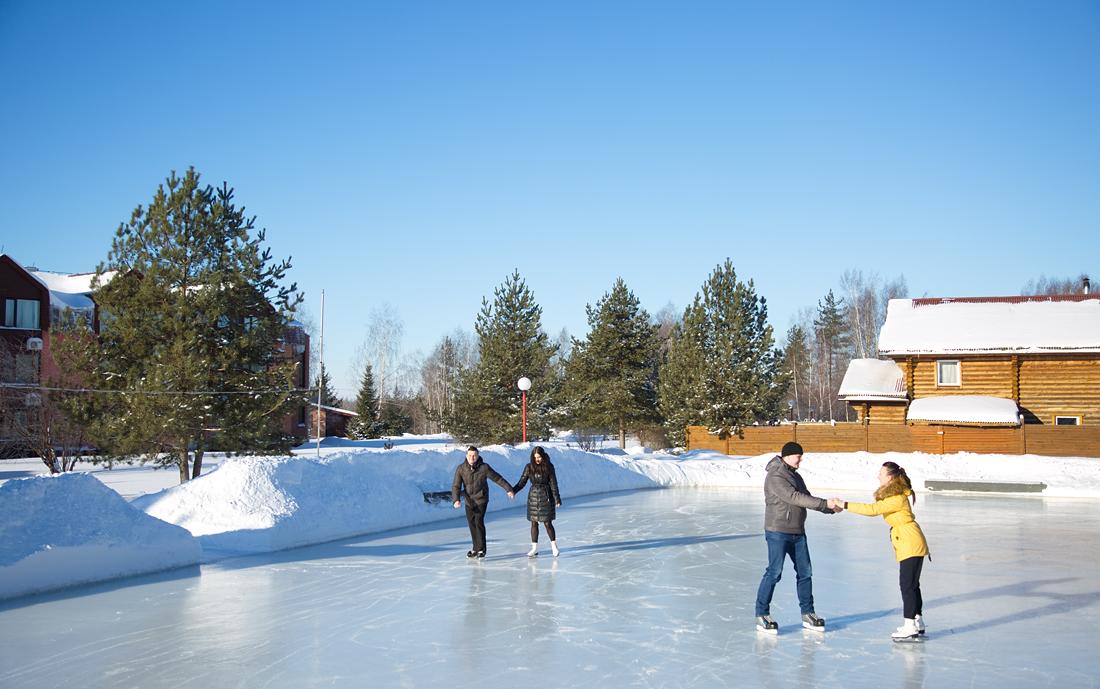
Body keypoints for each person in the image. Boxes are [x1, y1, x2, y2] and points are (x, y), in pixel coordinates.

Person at [833, 462, 929, 641]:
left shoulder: (896, 498)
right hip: (910, 540)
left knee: (907, 585)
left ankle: (909, 625)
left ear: (890, 477)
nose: (878, 476)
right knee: (912, 585)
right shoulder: (895, 496)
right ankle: (917, 621)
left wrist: (843, 504)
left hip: (910, 542)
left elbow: (872, 510)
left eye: (881, 473)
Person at [755, 441, 841, 634]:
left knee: (805, 572)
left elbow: (806, 497)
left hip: (798, 531)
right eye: (798, 456)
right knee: (774, 572)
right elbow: (794, 497)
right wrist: (824, 503)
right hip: (778, 530)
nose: (800, 459)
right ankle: (761, 614)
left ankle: (808, 614)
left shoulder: (796, 476)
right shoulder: (775, 476)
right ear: (787, 455)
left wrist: (829, 509)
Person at [452, 446, 514, 558]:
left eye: (474, 455)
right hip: (468, 501)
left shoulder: (484, 468)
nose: (472, 457)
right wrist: (456, 499)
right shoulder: (461, 468)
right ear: (466, 456)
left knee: (478, 522)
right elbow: (456, 485)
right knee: (472, 524)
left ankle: (481, 549)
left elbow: (497, 478)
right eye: (470, 455)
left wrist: (508, 489)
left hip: (481, 499)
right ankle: (475, 548)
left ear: (478, 455)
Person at [512, 445, 562, 557]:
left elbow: (553, 483)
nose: (537, 459)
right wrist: (513, 490)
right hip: (533, 497)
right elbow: (522, 482)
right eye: (535, 457)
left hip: (546, 496)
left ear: (543, 456)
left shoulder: (549, 467)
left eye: (539, 457)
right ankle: (534, 548)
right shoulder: (529, 467)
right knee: (534, 523)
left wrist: (557, 498)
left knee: (547, 523)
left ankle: (554, 546)